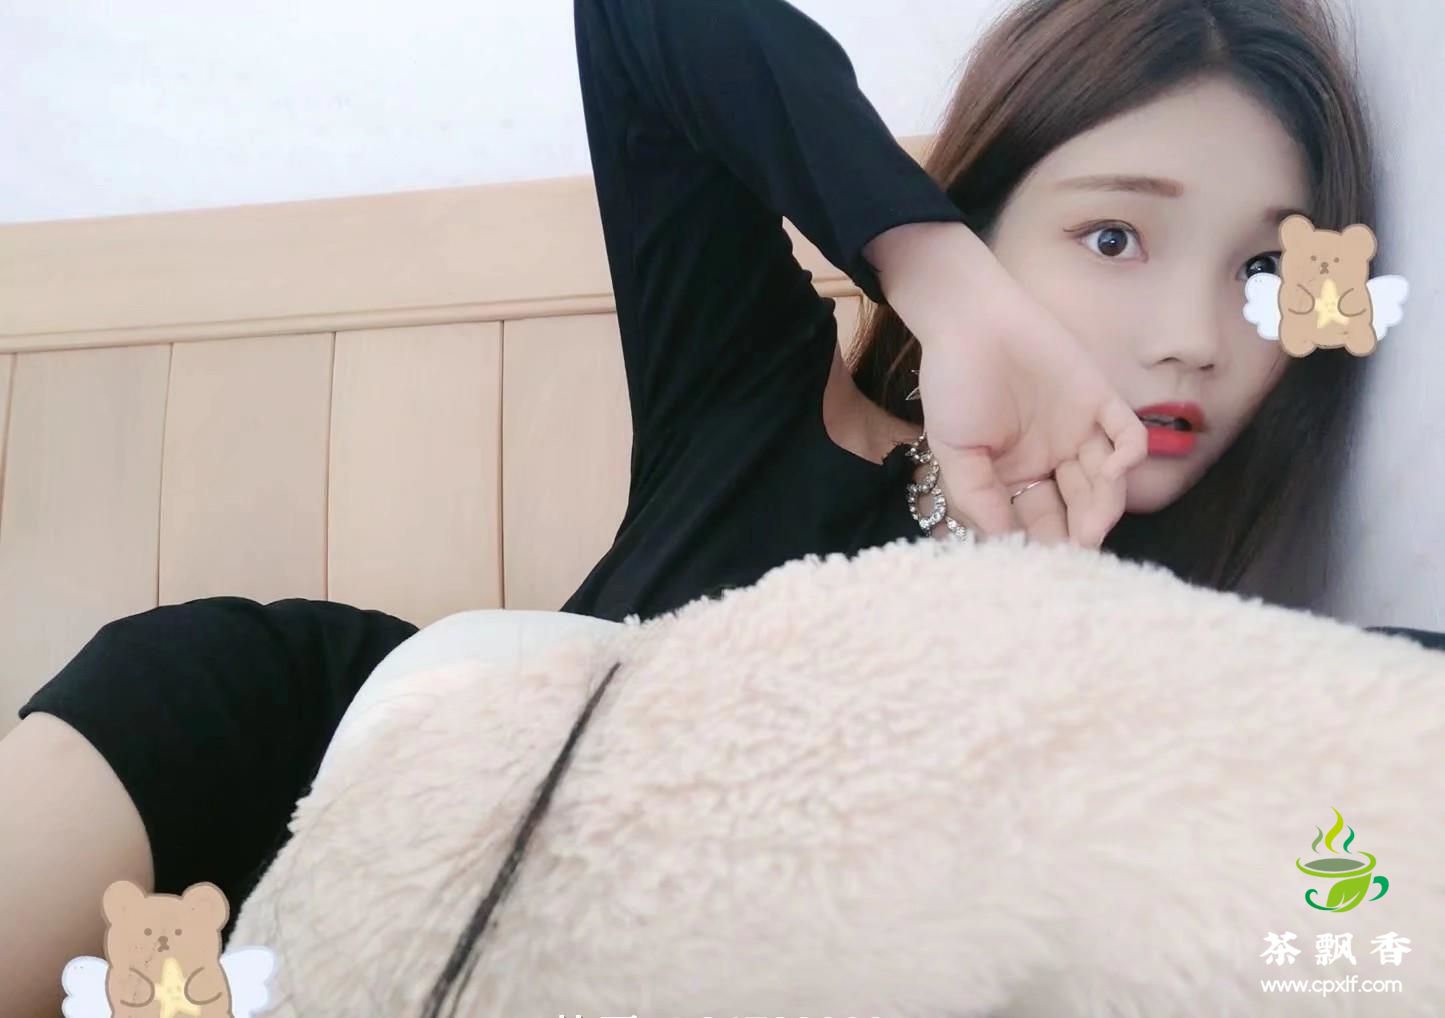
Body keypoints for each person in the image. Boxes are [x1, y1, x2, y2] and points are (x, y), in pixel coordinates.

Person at [1, 0, 1439, 1013]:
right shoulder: (761, 397)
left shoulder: (1208, 671)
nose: (1194, 337)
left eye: (1263, 274)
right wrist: (942, 286)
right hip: (310, 739)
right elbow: (642, 17)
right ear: (989, 215)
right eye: (1113, 234)